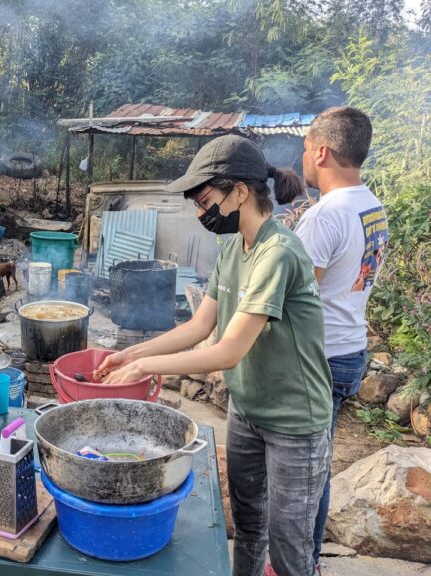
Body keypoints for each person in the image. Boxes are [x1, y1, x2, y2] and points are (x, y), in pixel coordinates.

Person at [98, 135, 332, 576]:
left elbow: (227, 351)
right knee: (247, 527)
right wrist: (128, 353)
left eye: (205, 200)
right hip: (247, 410)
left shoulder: (276, 253)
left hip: (295, 423)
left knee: (288, 550)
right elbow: (199, 327)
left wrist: (145, 366)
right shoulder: (232, 248)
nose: (200, 213)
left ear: (239, 192)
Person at [295, 106, 389, 569]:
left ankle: (302, 561)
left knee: (303, 476)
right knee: (317, 466)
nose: (303, 158)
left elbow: (296, 298)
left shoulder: (324, 216)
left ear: (322, 150)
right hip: (351, 350)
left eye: (306, 148)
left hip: (319, 357)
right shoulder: (372, 205)